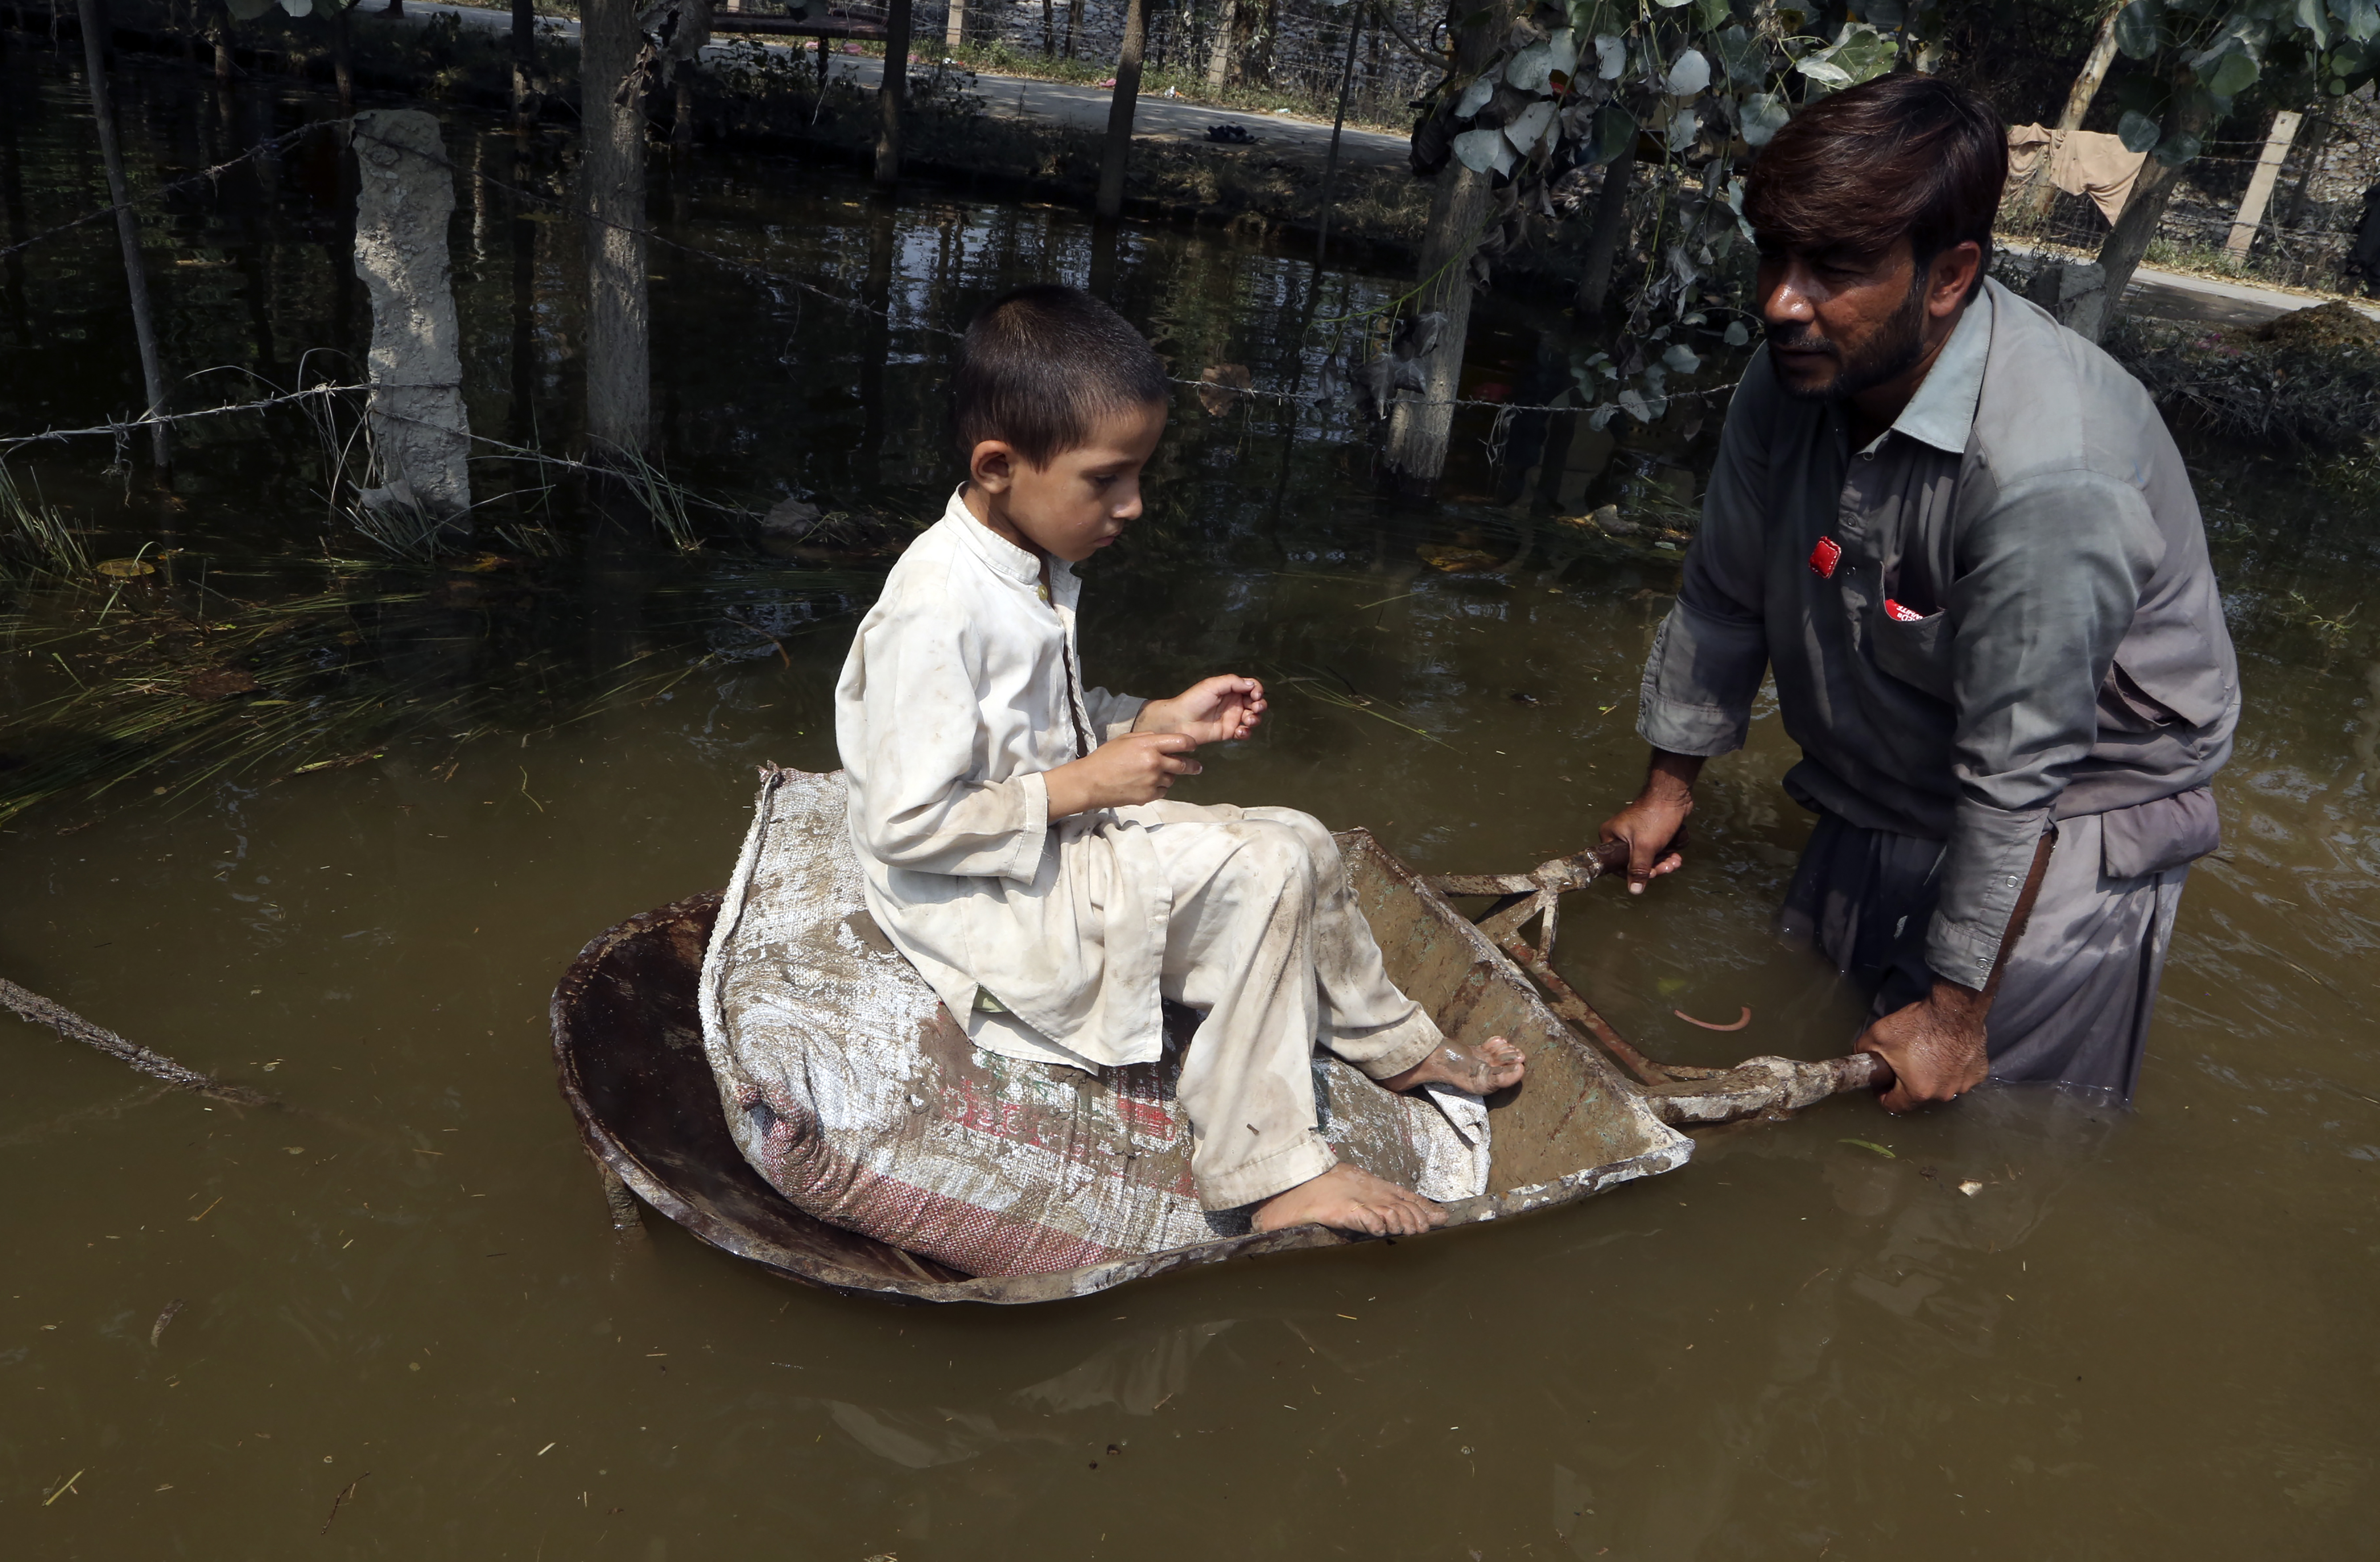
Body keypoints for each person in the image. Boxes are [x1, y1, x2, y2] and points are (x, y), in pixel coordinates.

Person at [1599, 75, 2238, 1111]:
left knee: (1976, 1130)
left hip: (2074, 803)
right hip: (1892, 748)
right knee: (1820, 1010)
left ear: (1949, 277)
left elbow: (2024, 769)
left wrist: (1956, 1013)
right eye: (1774, 257)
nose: (1780, 303)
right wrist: (1668, 792)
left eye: (1834, 270)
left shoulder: (2050, 478)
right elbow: (1721, 595)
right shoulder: (1793, 373)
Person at [835, 284, 1524, 1234]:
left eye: (1140, 475)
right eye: (1107, 479)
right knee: (1267, 870)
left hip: (1036, 841)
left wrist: (1152, 716)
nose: (1134, 505)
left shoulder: (1023, 561)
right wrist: (1085, 785)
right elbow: (904, 824)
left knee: (1302, 837)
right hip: (978, 899)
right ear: (999, 465)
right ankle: (1265, 1165)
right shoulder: (935, 606)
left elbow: (1041, 722)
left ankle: (1392, 1042)